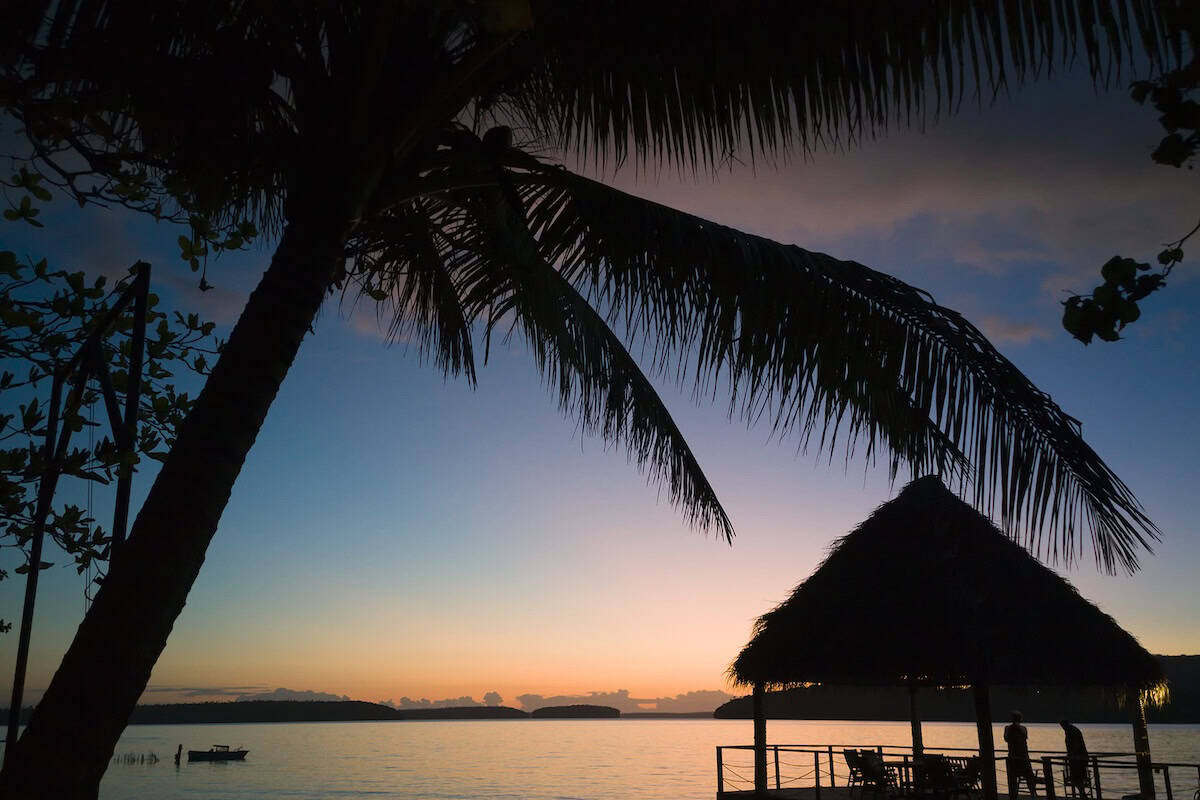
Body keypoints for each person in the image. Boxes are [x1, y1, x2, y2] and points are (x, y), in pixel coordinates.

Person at [1005, 711, 1038, 798]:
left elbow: (1006, 738)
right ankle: (1032, 794)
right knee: (1028, 776)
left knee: (1017, 777)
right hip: (1021, 756)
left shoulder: (1009, 728)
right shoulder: (1022, 728)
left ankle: (1017, 795)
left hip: (1016, 756)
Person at [1060, 720, 1090, 797]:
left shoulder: (1071, 730)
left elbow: (1077, 744)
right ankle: (1082, 793)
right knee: (1077, 778)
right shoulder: (1071, 729)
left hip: (1078, 759)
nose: (1062, 728)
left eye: (1062, 726)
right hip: (1077, 758)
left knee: (1076, 778)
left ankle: (1082, 794)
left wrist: (1071, 754)